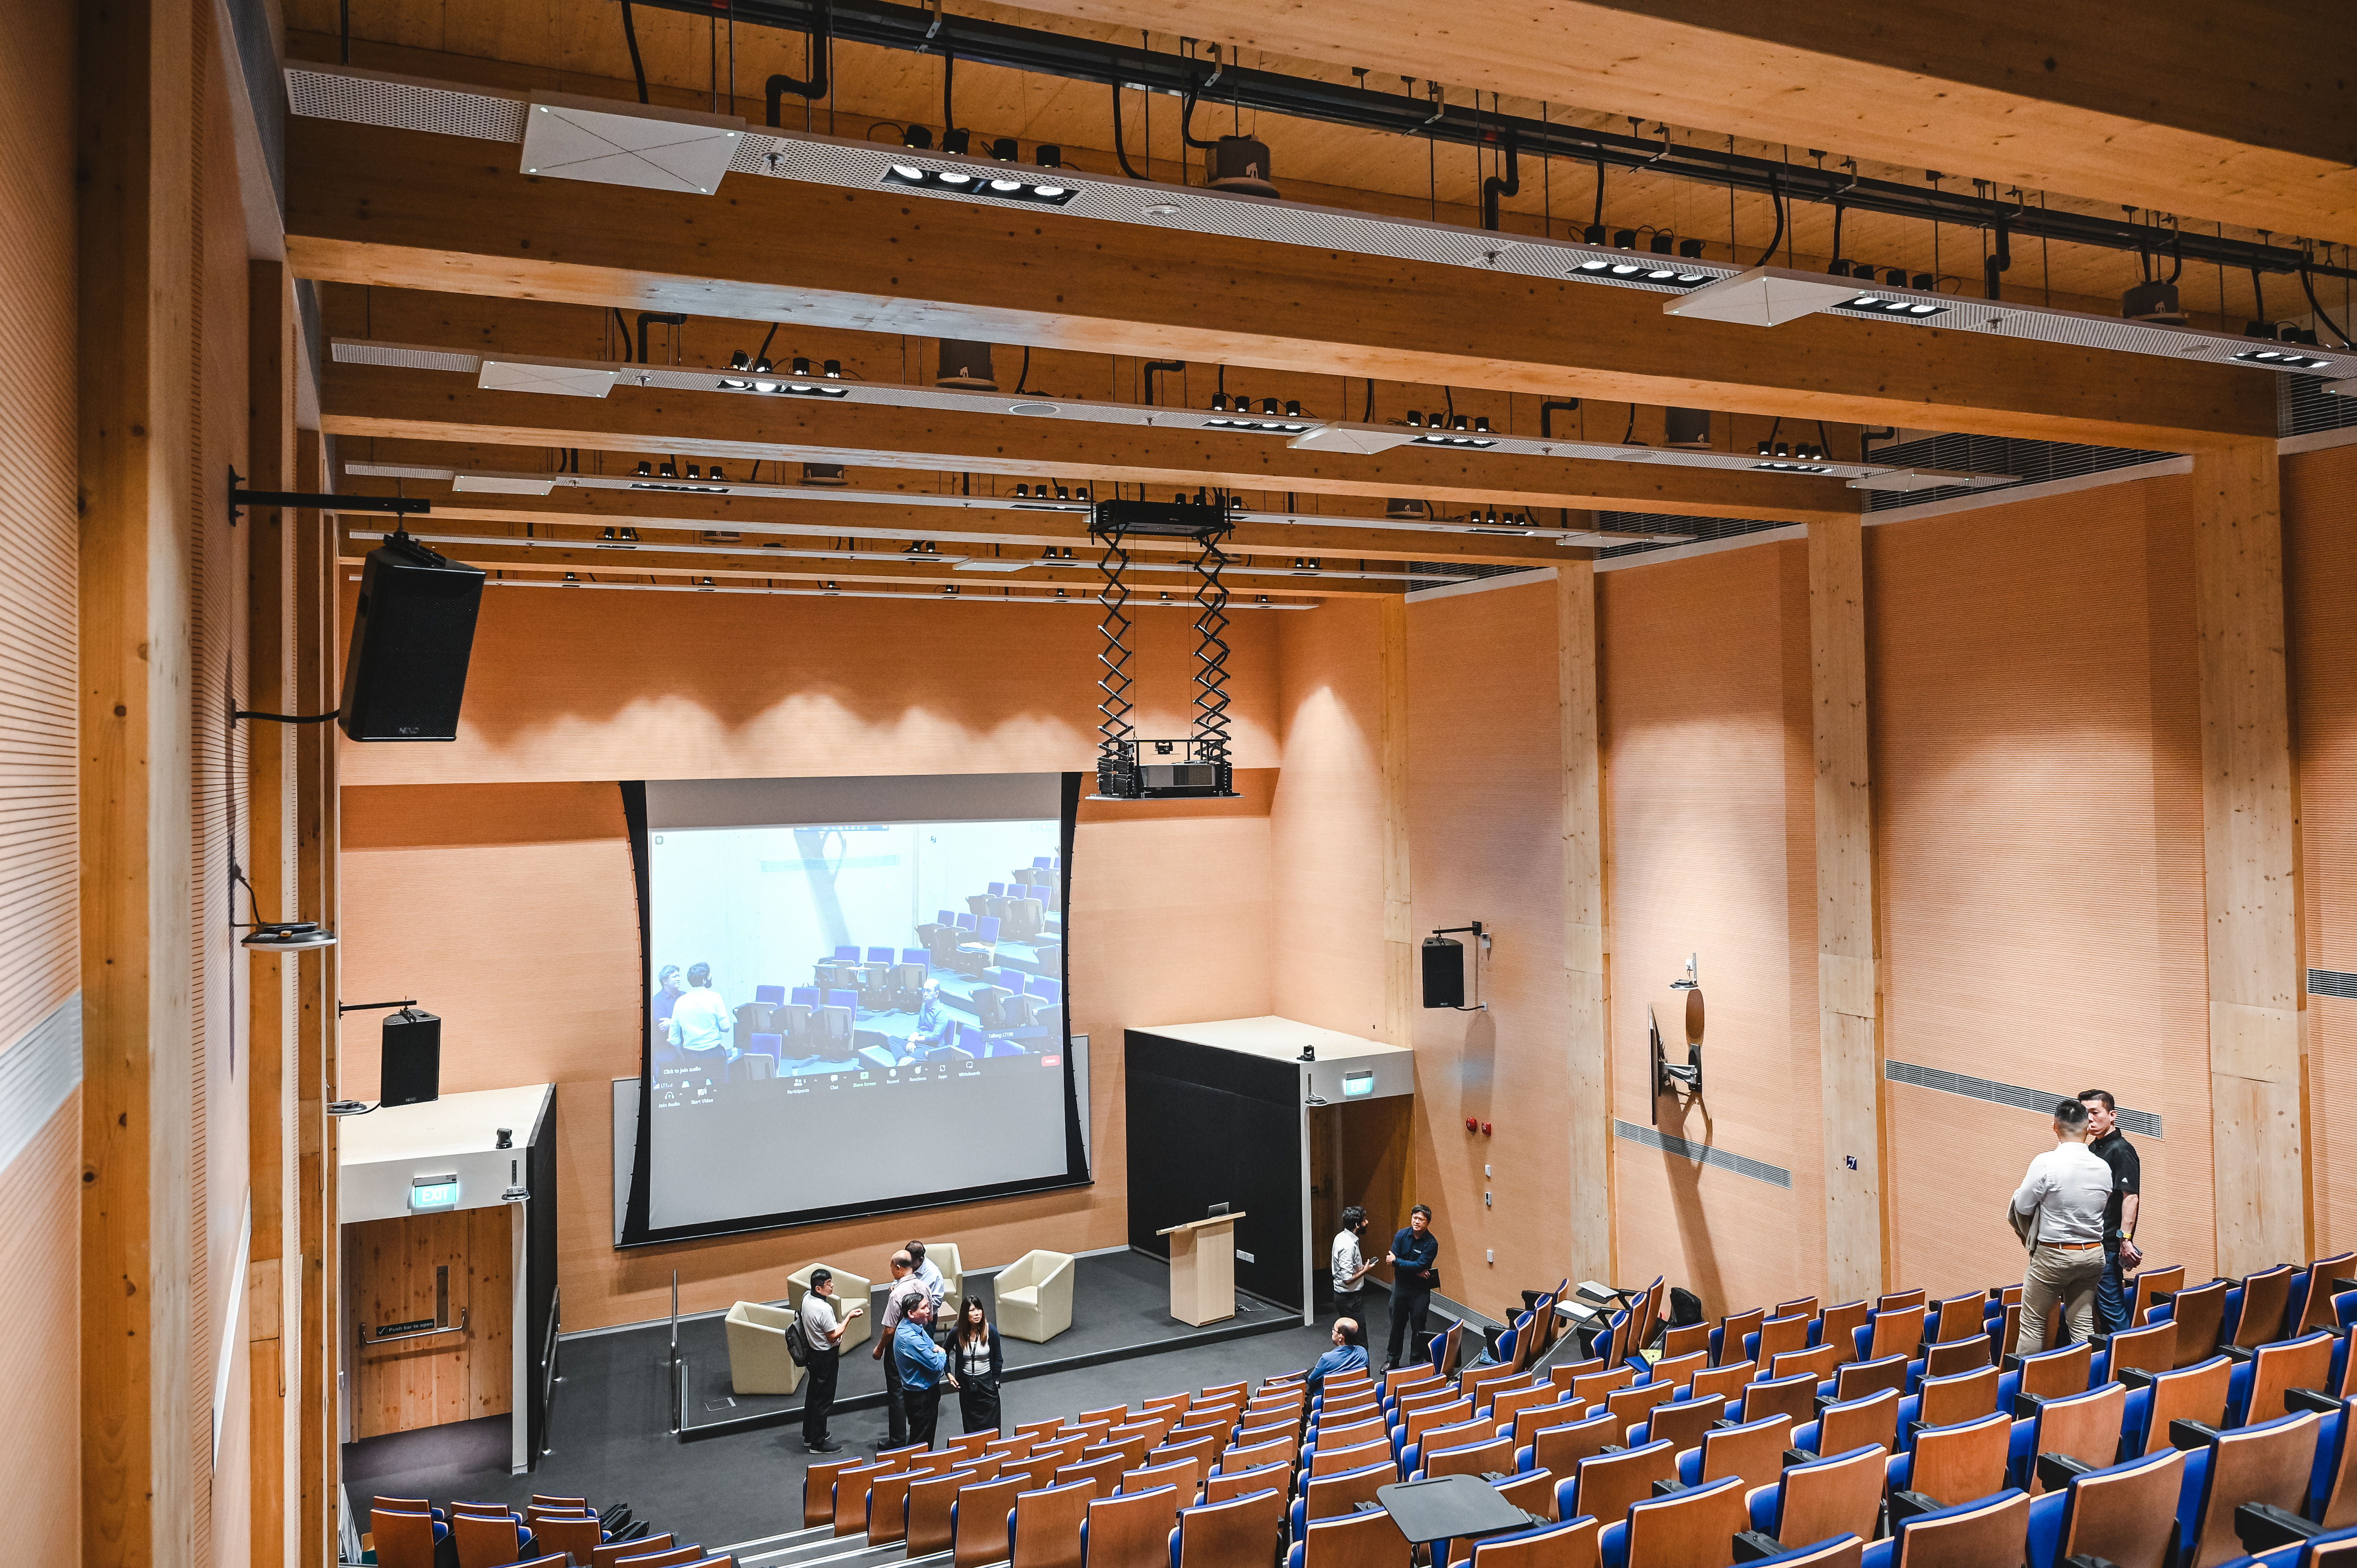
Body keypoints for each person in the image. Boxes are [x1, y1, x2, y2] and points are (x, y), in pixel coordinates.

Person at [2011, 1098, 2115, 1353]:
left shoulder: (2046, 1162)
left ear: (2055, 1127)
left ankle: (2026, 1389)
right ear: (2088, 1128)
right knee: (2082, 1326)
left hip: (2054, 1255)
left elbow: (2023, 1207)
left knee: (2033, 1324)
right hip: (2093, 1255)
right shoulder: (2103, 1167)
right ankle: (2084, 1387)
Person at [2079, 1089, 2144, 1335]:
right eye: (2085, 1114)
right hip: (2091, 1243)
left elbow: (2131, 1199)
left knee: (2112, 1312)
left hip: (2107, 1246)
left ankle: (2128, 1367)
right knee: (2095, 1312)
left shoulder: (2121, 1150)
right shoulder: (2093, 1149)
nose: (2090, 1119)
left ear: (2112, 1115)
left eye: (2096, 1113)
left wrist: (2125, 1241)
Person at [799, 1267, 862, 1454]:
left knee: (813, 1395)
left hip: (813, 1354)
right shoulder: (824, 1309)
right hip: (826, 1357)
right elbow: (833, 1336)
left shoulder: (806, 1299)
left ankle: (810, 1435)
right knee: (823, 1400)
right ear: (819, 1289)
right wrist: (849, 1318)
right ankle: (818, 1443)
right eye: (828, 1284)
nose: (832, 1285)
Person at [872, 1250, 928, 1447]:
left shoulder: (896, 1294)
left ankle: (897, 1440)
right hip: (920, 1343)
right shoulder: (923, 1285)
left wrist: (879, 1350)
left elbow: (890, 1330)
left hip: (899, 1348)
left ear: (897, 1268)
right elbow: (929, 1315)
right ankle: (919, 1437)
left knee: (896, 1391)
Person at [1383, 1204, 1441, 1371]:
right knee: (1396, 1326)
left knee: (1418, 1327)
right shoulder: (1401, 1235)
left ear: (1427, 1223)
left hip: (1420, 1292)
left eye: (1421, 1219)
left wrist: (1399, 1263)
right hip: (1400, 1287)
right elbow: (1392, 1261)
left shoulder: (1431, 1243)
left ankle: (1416, 1363)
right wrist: (1415, 1270)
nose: (1417, 1222)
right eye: (1415, 1218)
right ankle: (1392, 1360)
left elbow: (1420, 1264)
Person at [894, 1293, 954, 1447]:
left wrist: (936, 1350)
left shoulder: (915, 1326)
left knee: (925, 1438)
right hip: (921, 1397)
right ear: (911, 1313)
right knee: (921, 1443)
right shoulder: (910, 1338)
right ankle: (919, 1471)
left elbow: (931, 1344)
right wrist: (942, 1353)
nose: (929, 1310)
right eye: (924, 1307)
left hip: (926, 1393)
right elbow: (937, 1364)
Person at [950, 1295, 1004, 1436]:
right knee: (971, 1426)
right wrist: (949, 1374)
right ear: (964, 1314)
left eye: (979, 1309)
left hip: (987, 1384)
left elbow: (998, 1358)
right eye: (972, 1310)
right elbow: (944, 1352)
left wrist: (995, 1380)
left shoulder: (990, 1330)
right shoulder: (958, 1332)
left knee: (992, 1426)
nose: (977, 1313)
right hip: (967, 1386)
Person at [666, 962, 736, 1071]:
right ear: (704, 980)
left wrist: (683, 1055)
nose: (711, 976)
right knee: (721, 1087)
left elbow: (673, 1037)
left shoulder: (680, 1002)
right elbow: (726, 1027)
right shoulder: (715, 998)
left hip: (691, 1056)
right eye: (709, 974)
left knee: (695, 1088)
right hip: (715, 1055)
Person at [1330, 1206, 1377, 1326]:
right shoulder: (1349, 1246)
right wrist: (1365, 1270)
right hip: (1349, 1298)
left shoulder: (1340, 1236)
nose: (1367, 1223)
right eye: (1364, 1220)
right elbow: (1347, 1279)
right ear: (1358, 1225)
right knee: (1358, 1334)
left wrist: (1358, 1268)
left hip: (1345, 1296)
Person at [1306, 1316, 1367, 1394]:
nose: (1333, 1332)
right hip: (1352, 1393)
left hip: (1327, 1397)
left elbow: (1311, 1381)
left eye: (1334, 1330)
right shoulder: (1363, 1353)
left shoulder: (1327, 1359)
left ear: (1341, 1337)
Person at [908, 1240, 946, 1312]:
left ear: (920, 1260)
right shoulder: (906, 1261)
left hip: (926, 1317)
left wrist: (916, 1306)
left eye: (911, 1262)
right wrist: (895, 1285)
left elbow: (937, 1301)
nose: (908, 1264)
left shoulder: (934, 1274)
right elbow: (899, 1277)